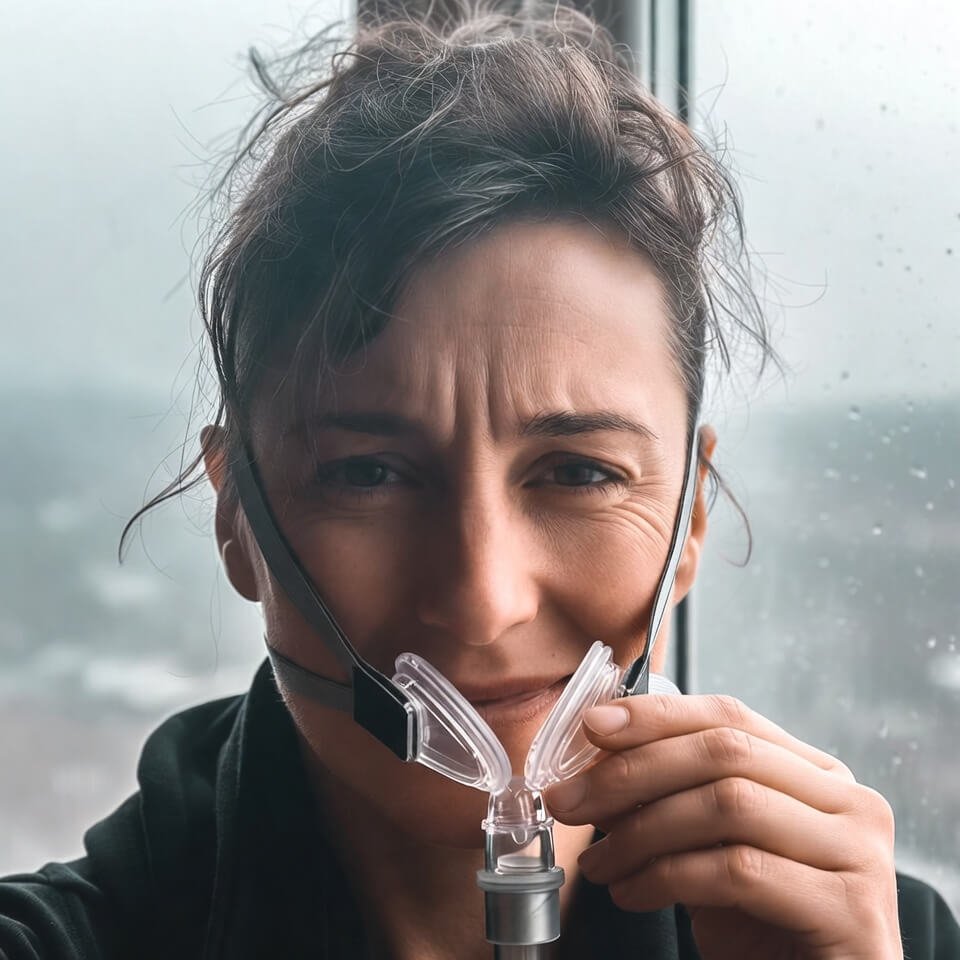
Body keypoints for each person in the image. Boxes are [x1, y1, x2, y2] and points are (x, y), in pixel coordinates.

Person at [2, 2, 957, 958]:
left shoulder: (880, 936)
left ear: (692, 514)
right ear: (237, 519)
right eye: (368, 473)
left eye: (580, 472)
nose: (483, 603)